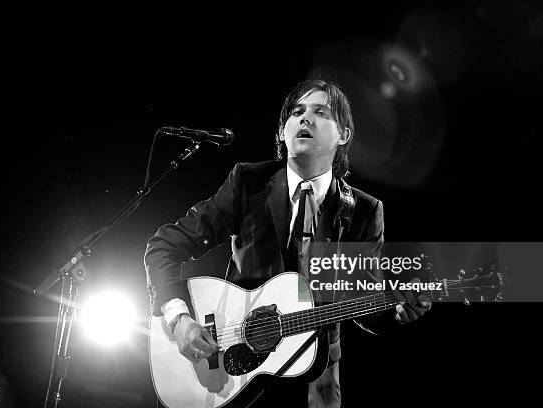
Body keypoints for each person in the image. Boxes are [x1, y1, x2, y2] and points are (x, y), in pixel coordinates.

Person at [144, 78, 431, 407]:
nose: (305, 118)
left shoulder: (364, 211)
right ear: (282, 132)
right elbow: (163, 246)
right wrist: (179, 319)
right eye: (297, 112)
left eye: (321, 112)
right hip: (233, 366)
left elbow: (364, 302)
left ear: (343, 135)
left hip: (314, 377)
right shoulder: (247, 183)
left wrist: (395, 311)